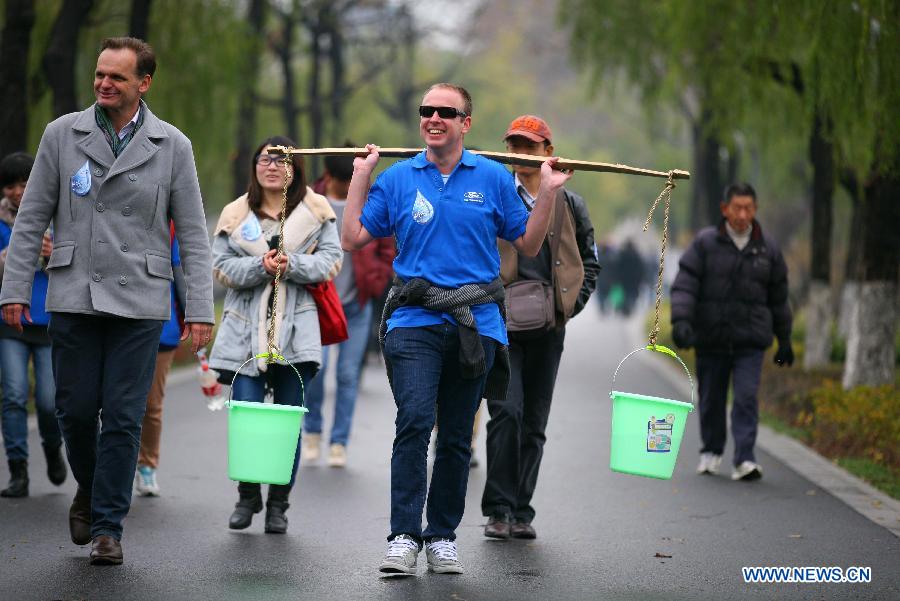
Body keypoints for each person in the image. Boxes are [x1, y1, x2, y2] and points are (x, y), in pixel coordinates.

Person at [342, 83, 573, 575]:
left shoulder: (491, 177)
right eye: (427, 110)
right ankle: (403, 535)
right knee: (414, 421)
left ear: (466, 122)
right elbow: (352, 237)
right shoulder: (400, 178)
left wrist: (549, 192)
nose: (434, 118)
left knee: (453, 439)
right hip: (413, 321)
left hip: (477, 325)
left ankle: (441, 535)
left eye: (446, 112)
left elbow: (529, 243)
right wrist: (361, 178)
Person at [0, 37, 214, 565]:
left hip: (141, 299)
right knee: (72, 411)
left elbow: (192, 231)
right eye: (99, 74)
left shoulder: (173, 145)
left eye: (116, 77)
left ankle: (107, 527)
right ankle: (92, 491)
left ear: (143, 83)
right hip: (73, 294)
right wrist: (15, 288)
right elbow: (30, 220)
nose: (103, 84)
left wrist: (201, 309)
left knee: (122, 416)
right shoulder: (62, 134)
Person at [209, 135, 342, 533]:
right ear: (254, 166)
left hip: (297, 331)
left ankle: (279, 504)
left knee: (287, 421)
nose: (271, 166)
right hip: (243, 329)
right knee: (247, 418)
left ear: (296, 169)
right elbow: (220, 268)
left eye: (281, 160)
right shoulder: (235, 214)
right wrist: (259, 269)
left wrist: (291, 264)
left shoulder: (316, 212)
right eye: (264, 158)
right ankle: (248, 495)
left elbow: (331, 262)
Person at [481, 115, 599, 540]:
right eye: (514, 146)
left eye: (530, 146)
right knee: (505, 413)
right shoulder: (492, 196)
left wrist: (568, 306)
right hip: (499, 327)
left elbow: (591, 262)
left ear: (549, 152)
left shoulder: (570, 203)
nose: (521, 154)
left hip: (550, 331)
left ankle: (521, 510)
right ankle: (497, 508)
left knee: (534, 421)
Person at [670, 182, 793, 481]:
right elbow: (686, 284)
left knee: (746, 397)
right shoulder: (705, 244)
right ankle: (711, 450)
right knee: (711, 398)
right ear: (724, 209)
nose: (742, 214)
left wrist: (785, 339)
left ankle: (745, 459)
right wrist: (682, 321)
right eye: (736, 207)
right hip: (711, 338)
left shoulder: (768, 249)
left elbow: (779, 298)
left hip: (750, 341)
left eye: (748, 208)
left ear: (755, 209)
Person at [303, 153, 395, 468]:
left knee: (347, 375)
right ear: (328, 175)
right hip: (319, 303)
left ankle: (339, 442)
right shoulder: (309, 203)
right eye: (344, 181)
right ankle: (312, 430)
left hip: (356, 305)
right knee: (315, 370)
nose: (348, 187)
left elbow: (386, 244)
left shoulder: (369, 203)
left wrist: (377, 279)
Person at [0, 152, 66, 498]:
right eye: (10, 185)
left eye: (24, 183)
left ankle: (52, 447)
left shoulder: (57, 214)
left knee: (47, 400)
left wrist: (54, 251)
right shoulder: (0, 221)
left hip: (49, 318)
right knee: (12, 394)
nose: (17, 191)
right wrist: (18, 250)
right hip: (10, 320)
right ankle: (18, 470)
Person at [133, 226, 187, 497]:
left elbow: (183, 275)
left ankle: (147, 466)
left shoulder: (172, 229)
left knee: (151, 404)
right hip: (116, 325)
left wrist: (193, 317)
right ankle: (112, 466)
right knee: (111, 403)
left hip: (162, 328)